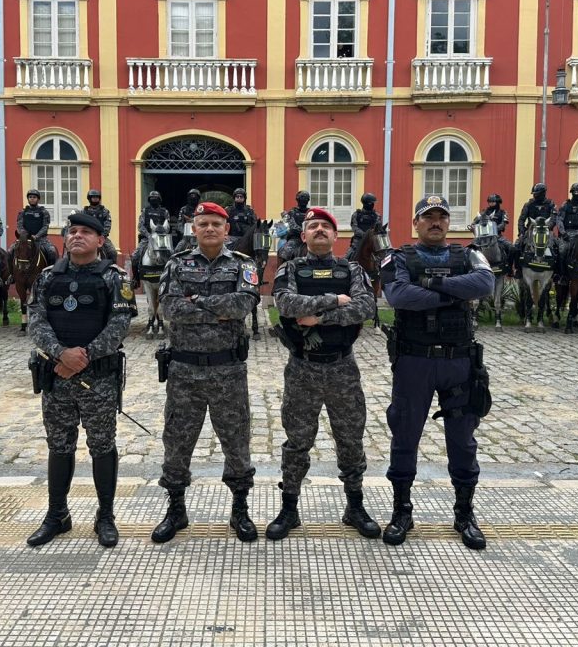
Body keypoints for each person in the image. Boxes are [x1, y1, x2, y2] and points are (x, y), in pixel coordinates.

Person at [380, 195, 494, 550]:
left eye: (441, 217)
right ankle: (402, 511)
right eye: (428, 216)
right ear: (416, 222)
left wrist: (430, 285)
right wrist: (454, 294)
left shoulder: (469, 255)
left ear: (449, 222)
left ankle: (464, 513)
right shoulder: (398, 258)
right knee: (405, 435)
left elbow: (484, 284)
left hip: (459, 362)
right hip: (414, 361)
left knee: (463, 440)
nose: (435, 222)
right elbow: (399, 295)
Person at [151, 202, 261, 544]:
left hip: (228, 370)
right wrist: (217, 309)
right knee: (177, 440)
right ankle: (176, 509)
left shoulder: (243, 264)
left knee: (236, 440)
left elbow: (243, 304)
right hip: (184, 372)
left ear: (226, 229)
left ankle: (240, 508)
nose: (210, 229)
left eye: (216, 223)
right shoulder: (176, 263)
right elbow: (169, 308)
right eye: (203, 224)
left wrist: (195, 301)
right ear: (193, 229)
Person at [267, 207, 380, 540]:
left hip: (343, 368)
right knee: (297, 441)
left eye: (325, 226)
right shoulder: (290, 269)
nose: (319, 230)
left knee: (350, 439)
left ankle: (355, 506)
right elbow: (285, 304)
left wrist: (320, 318)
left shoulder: (352, 269)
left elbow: (366, 307)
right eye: (313, 226)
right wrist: (336, 299)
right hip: (302, 368)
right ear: (303, 236)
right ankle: (289, 509)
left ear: (335, 235)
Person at [26, 211, 137, 548]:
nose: (76, 236)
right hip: (57, 377)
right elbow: (36, 322)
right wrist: (61, 354)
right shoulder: (47, 277)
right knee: (59, 445)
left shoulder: (115, 278)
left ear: (100, 240)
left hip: (97, 379)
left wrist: (81, 357)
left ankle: (105, 516)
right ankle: (57, 515)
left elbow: (119, 326)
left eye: (85, 232)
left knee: (102, 445)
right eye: (72, 231)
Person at [514, 183, 556, 277]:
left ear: (542, 193)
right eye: (534, 194)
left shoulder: (550, 204)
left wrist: (548, 226)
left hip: (546, 230)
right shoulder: (528, 204)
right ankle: (518, 270)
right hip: (531, 230)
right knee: (516, 247)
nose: (535, 195)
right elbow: (521, 219)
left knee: (558, 249)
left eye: (536, 194)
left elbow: (554, 218)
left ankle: (557, 273)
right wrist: (521, 232)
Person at [130, 191, 170, 289]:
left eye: (156, 198)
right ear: (149, 200)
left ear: (159, 200)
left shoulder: (165, 212)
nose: (154, 200)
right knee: (135, 256)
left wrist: (161, 233)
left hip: (161, 238)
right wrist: (149, 236)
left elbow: (168, 227)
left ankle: (172, 278)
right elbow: (140, 226)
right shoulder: (145, 211)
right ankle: (136, 279)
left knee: (172, 255)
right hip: (147, 238)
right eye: (152, 198)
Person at [16, 189, 57, 266]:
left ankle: (52, 271)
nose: (32, 199)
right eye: (30, 197)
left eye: (34, 197)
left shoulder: (44, 212)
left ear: (38, 199)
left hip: (41, 240)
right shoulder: (22, 212)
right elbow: (19, 226)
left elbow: (45, 227)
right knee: (10, 251)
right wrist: (26, 235)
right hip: (25, 239)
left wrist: (36, 236)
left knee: (52, 252)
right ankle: (10, 272)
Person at [476, 193, 512, 272]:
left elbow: (503, 224)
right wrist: (472, 226)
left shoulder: (503, 212)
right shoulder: (483, 212)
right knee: (470, 248)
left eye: (493, 202)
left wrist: (494, 229)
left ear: (498, 202)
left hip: (498, 236)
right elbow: (475, 222)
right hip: (483, 237)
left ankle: (509, 268)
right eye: (490, 202)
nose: (491, 203)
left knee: (511, 248)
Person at [81, 189, 117, 261]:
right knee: (72, 250)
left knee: (112, 252)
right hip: (86, 236)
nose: (95, 199)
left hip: (101, 237)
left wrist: (102, 236)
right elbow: (81, 224)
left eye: (96, 197)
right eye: (93, 197)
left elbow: (107, 225)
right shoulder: (84, 211)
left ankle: (113, 266)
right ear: (89, 198)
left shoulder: (104, 211)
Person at [346, 193, 381, 261]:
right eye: (371, 203)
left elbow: (378, 228)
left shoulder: (377, 216)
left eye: (373, 203)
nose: (373, 205)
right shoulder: (356, 215)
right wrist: (365, 235)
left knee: (384, 258)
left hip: (373, 241)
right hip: (358, 241)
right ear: (366, 204)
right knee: (347, 258)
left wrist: (371, 236)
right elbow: (355, 228)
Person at [279, 190, 312, 260]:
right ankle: (284, 266)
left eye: (306, 198)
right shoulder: (292, 212)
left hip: (309, 238)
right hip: (296, 238)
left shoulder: (311, 213)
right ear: (298, 200)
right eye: (302, 198)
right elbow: (292, 226)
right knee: (285, 252)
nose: (304, 200)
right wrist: (302, 231)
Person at [174, 188, 202, 253]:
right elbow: (180, 222)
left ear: (198, 198)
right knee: (177, 250)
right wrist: (183, 232)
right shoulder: (183, 209)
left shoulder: (201, 209)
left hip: (199, 235)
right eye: (191, 196)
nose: (193, 198)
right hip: (186, 235)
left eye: (195, 196)